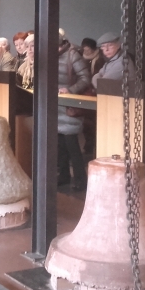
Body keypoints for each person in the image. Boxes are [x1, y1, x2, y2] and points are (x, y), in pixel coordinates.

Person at [57, 31, 92, 191]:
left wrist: (70, 90)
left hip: (70, 106)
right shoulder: (51, 54)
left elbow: (85, 78)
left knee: (72, 145)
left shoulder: (73, 55)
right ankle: (63, 176)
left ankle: (80, 180)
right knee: (60, 145)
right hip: (56, 106)